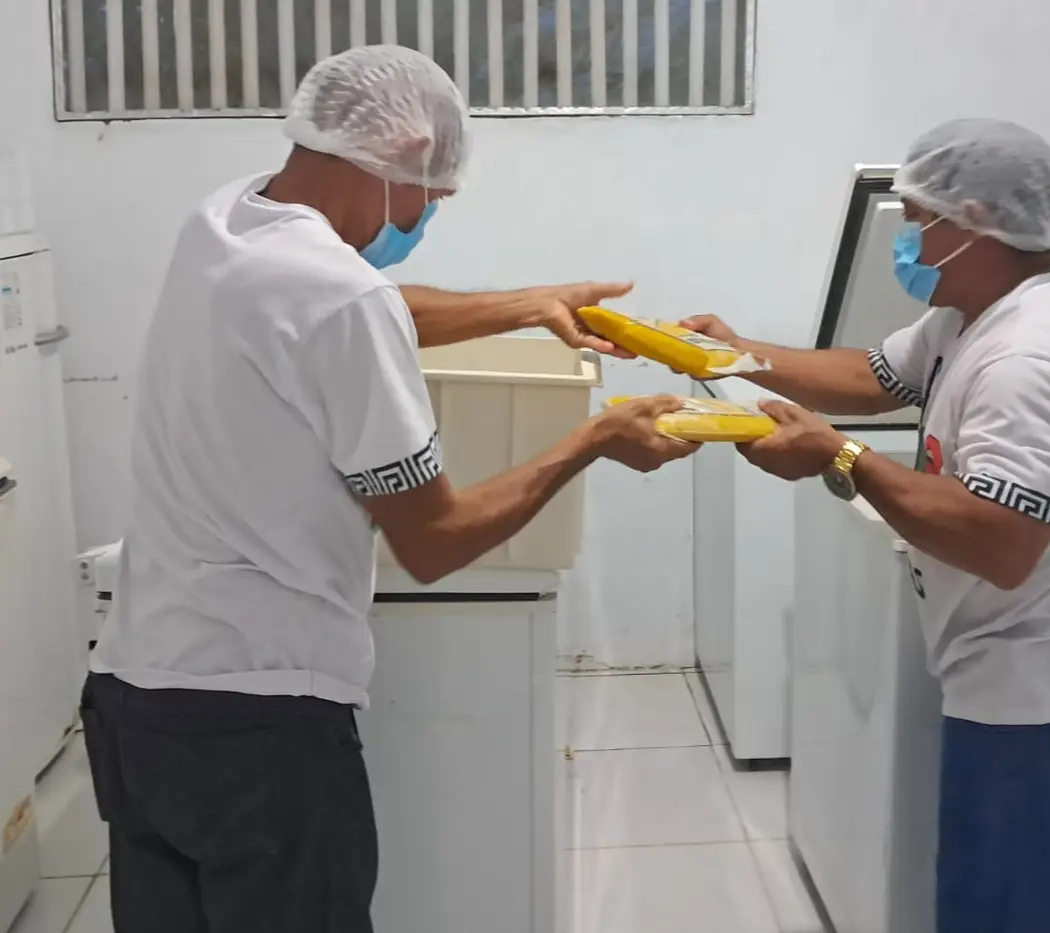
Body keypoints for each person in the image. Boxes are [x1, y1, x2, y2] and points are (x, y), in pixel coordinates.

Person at [80, 45, 695, 932]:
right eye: (432, 196)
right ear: (401, 153)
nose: (427, 217)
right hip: (260, 724)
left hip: (135, 700)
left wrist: (529, 303)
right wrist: (593, 439)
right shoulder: (340, 298)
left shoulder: (226, 219)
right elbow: (433, 539)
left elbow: (359, 307)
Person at [683, 119, 1050, 933]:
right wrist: (733, 356)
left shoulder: (1030, 358)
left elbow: (1001, 543)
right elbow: (870, 377)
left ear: (973, 221)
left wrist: (837, 456)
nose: (905, 238)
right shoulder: (975, 314)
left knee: (1009, 909)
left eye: (916, 219)